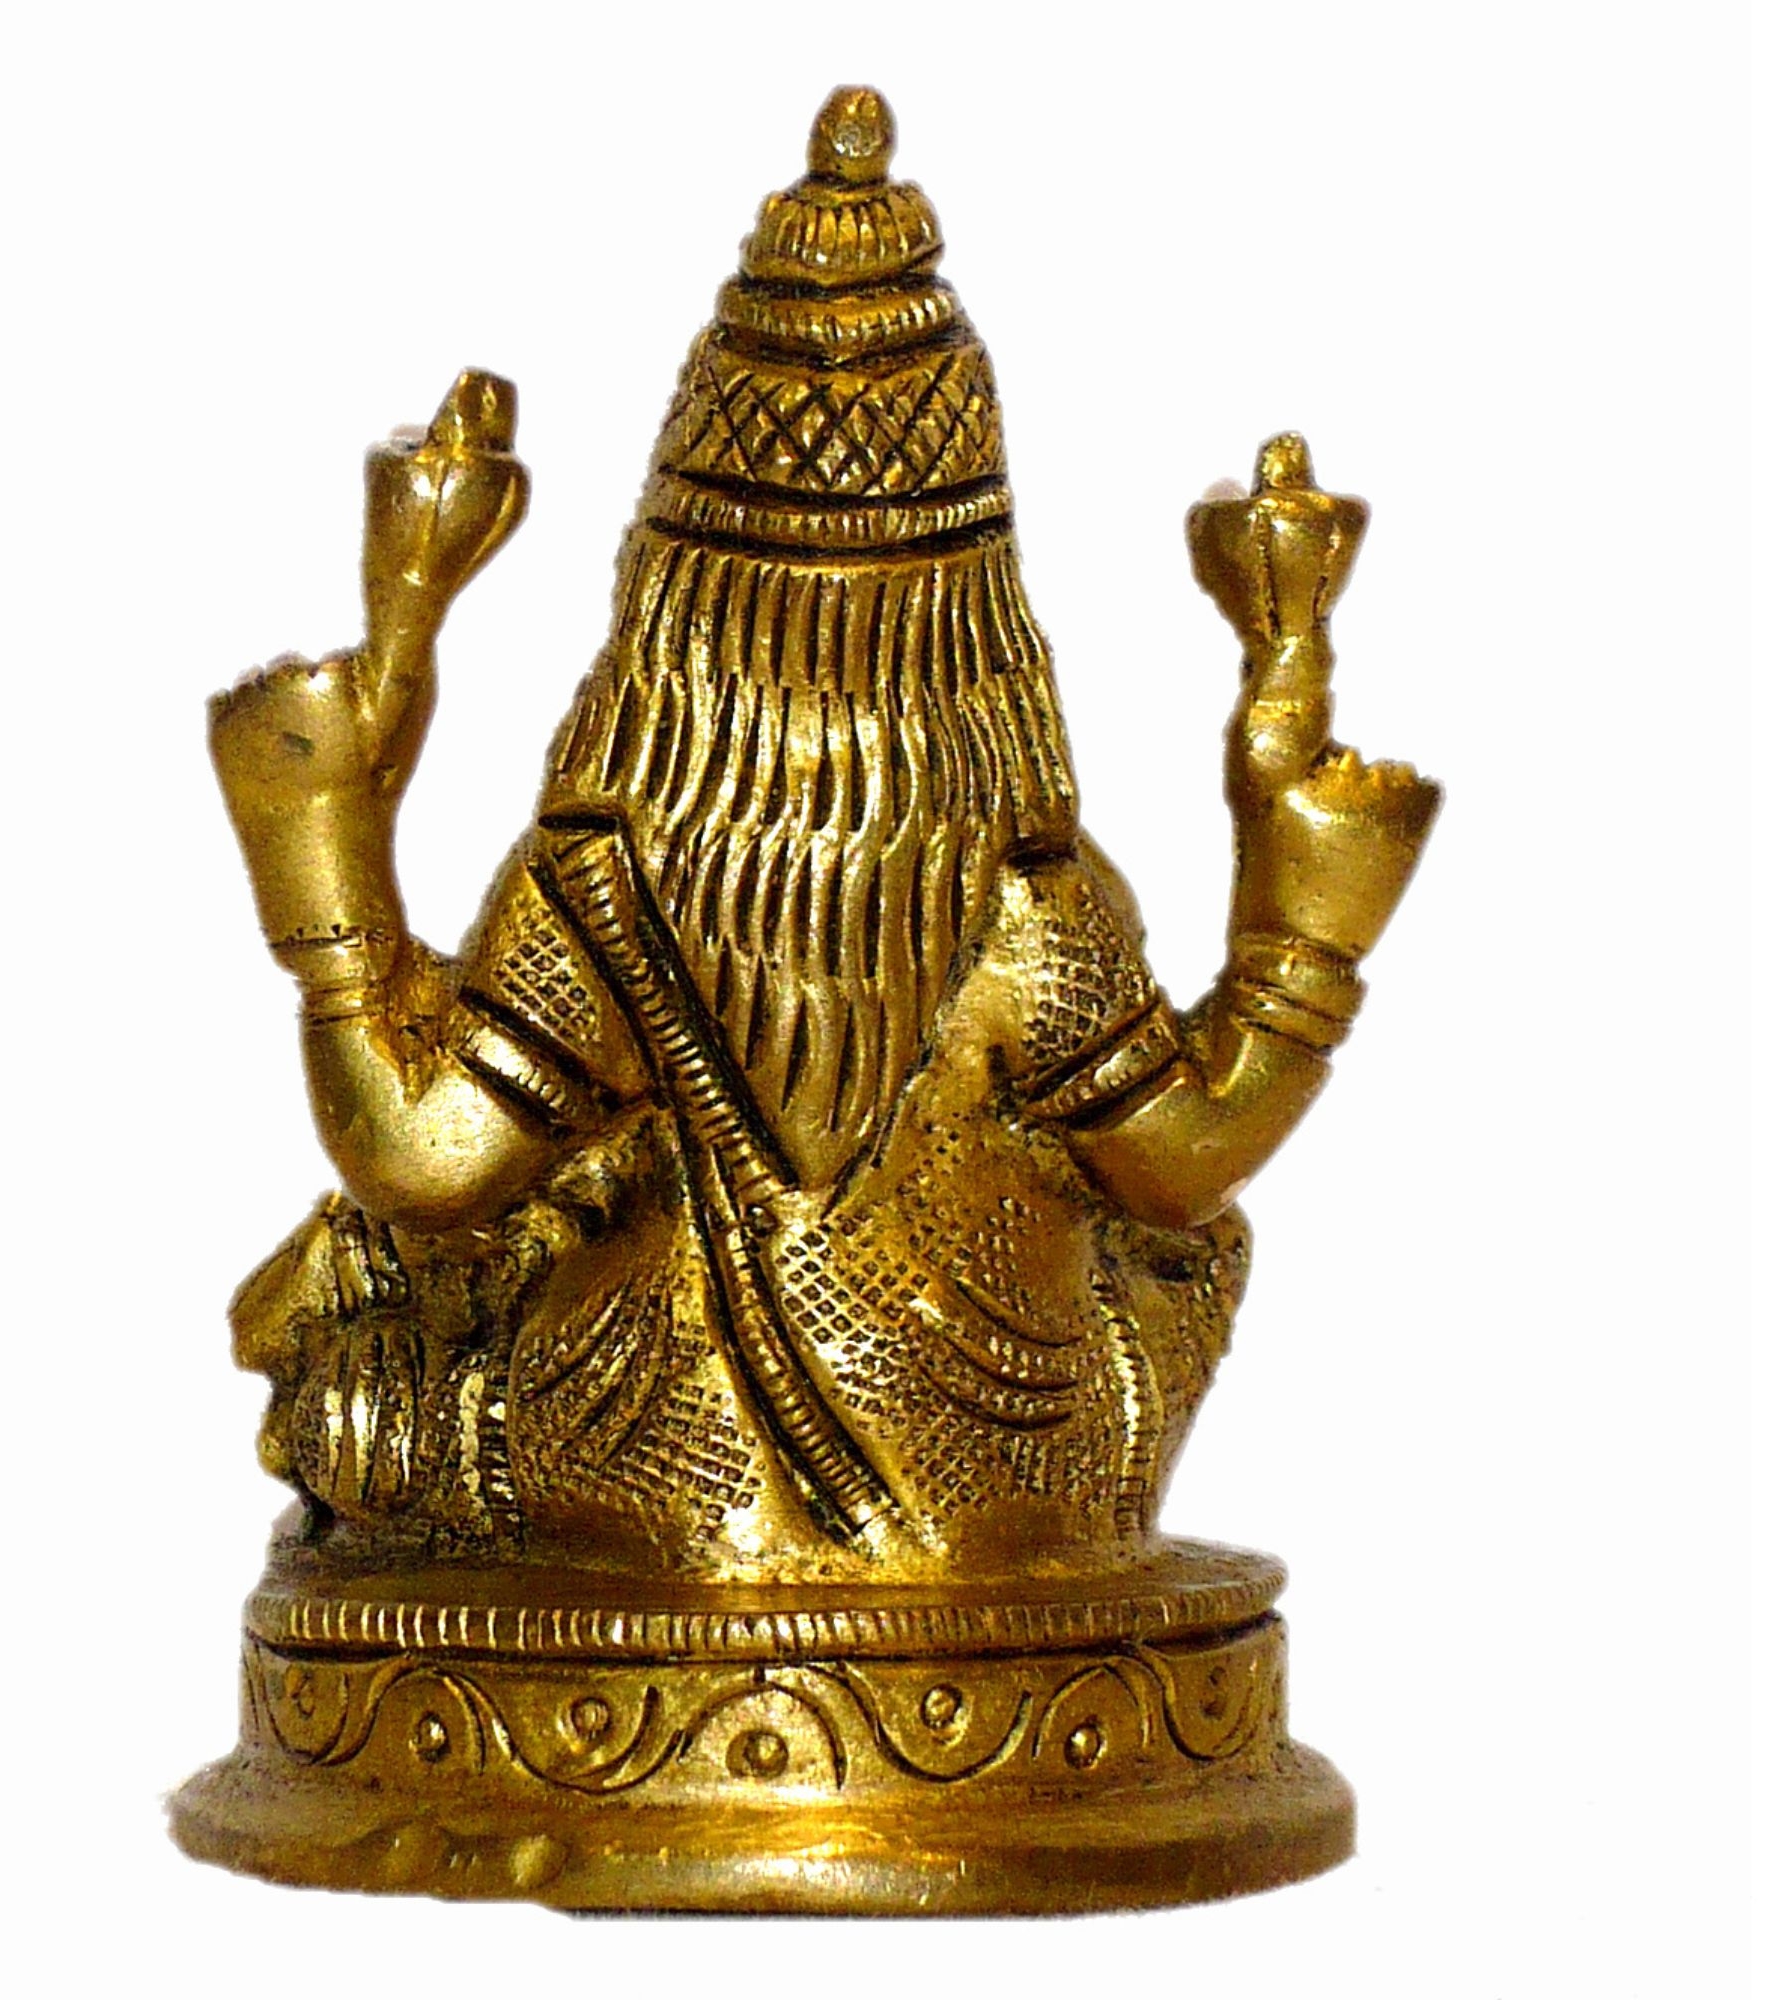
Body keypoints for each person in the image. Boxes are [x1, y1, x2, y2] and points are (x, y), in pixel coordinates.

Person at [209, 89, 1437, 1585]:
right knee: (1179, 1261)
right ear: (980, 605)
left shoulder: (595, 886)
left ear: (668, 587)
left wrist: (324, 855)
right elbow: (1181, 1165)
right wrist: (1303, 940)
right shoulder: (1035, 907)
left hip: (622, 1473)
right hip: (1016, 1481)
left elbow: (420, 1160)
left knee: (386, 1322)